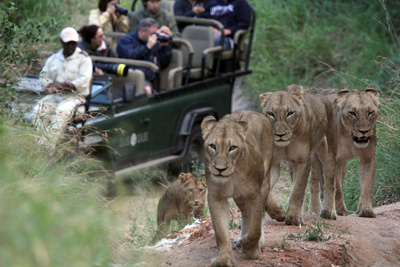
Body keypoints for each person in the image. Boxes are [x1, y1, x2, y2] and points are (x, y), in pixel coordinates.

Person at [33, 27, 93, 148]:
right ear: (62, 42)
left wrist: (69, 85)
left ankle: (47, 148)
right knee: (37, 111)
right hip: (55, 95)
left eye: (73, 43)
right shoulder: (54, 58)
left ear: (76, 43)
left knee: (61, 113)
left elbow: (84, 80)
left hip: (75, 98)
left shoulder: (84, 58)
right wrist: (52, 85)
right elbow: (43, 77)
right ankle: (38, 142)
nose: (70, 46)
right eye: (67, 43)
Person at [117, 17, 172, 95]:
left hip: (151, 77)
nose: (154, 37)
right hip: (131, 77)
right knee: (147, 90)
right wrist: (147, 47)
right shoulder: (125, 40)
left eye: (155, 33)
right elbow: (130, 56)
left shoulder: (153, 42)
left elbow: (164, 62)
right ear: (142, 31)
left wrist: (166, 47)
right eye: (151, 34)